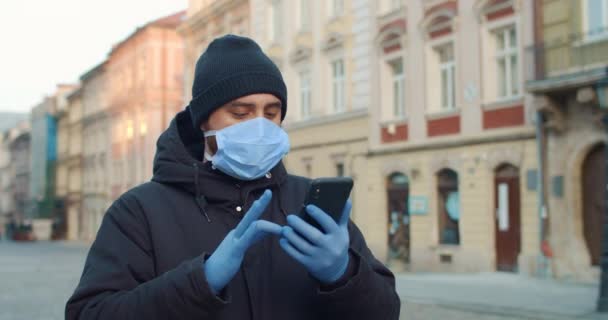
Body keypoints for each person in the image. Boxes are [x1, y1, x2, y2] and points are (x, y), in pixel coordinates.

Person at [66, 34, 400, 320]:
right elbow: (91, 313)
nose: (259, 125)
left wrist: (344, 275)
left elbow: (386, 311)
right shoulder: (139, 211)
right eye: (241, 113)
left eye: (271, 113)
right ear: (203, 121)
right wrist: (200, 282)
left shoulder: (306, 201)